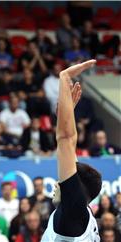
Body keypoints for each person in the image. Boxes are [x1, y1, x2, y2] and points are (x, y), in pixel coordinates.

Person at [41, 60, 103, 241]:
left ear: (77, 190)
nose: (57, 183)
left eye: (63, 182)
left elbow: (66, 140)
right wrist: (66, 114)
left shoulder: (73, 216)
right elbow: (69, 149)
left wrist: (64, 77)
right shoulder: (82, 212)